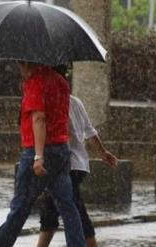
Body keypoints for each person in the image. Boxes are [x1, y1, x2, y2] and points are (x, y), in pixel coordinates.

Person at [0, 62, 86, 247]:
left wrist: (38, 157)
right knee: (68, 206)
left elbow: (39, 118)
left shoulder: (37, 81)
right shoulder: (61, 82)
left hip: (39, 150)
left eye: (21, 64)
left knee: (20, 207)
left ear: (29, 63)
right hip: (61, 150)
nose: (20, 68)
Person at [36, 65, 118, 247]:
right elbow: (90, 131)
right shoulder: (75, 101)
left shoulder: (54, 103)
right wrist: (102, 152)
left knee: (72, 209)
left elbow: (61, 133)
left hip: (64, 164)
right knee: (53, 208)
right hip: (78, 164)